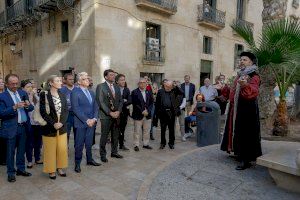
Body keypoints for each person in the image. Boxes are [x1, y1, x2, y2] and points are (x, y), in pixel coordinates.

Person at [220, 52, 262, 170]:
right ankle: (239, 153)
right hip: (237, 108)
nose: (242, 61)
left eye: (245, 60)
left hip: (247, 110)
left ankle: (246, 160)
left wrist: (245, 86)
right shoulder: (240, 74)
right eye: (241, 59)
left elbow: (252, 92)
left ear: (251, 62)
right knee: (237, 131)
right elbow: (233, 90)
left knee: (246, 133)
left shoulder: (254, 76)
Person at [0, 74, 34, 182]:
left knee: (21, 150)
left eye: (16, 83)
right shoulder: (2, 96)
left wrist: (28, 105)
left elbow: (30, 108)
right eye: (12, 84)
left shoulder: (22, 93)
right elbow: (1, 113)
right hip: (10, 128)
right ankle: (11, 173)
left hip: (23, 127)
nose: (15, 85)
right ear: (6, 84)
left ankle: (20, 169)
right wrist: (14, 107)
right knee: (10, 152)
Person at [40, 75, 69, 179]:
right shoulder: (44, 94)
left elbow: (66, 110)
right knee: (50, 150)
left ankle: (60, 167)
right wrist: (53, 123)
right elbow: (43, 112)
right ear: (51, 83)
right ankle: (51, 170)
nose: (61, 82)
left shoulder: (62, 94)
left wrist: (61, 122)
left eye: (60, 80)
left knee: (61, 149)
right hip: (49, 127)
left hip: (62, 127)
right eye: (58, 81)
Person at [71, 72, 100, 173]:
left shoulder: (91, 92)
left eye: (87, 78)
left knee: (89, 143)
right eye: (84, 79)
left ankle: (89, 159)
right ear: (79, 82)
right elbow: (76, 109)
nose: (87, 80)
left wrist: (95, 119)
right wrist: (87, 120)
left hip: (92, 122)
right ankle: (77, 163)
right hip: (81, 123)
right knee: (79, 144)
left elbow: (96, 106)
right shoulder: (75, 92)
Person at [96, 69, 123, 163]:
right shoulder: (100, 87)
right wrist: (110, 113)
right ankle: (103, 155)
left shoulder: (116, 87)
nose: (113, 76)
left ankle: (114, 152)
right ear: (106, 77)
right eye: (111, 75)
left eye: (114, 75)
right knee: (104, 136)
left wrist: (118, 111)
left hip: (117, 115)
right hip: (106, 116)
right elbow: (100, 102)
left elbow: (120, 100)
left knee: (115, 135)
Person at [21, 79, 43, 169]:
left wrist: (34, 95)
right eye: (28, 87)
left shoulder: (36, 95)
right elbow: (28, 107)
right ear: (23, 88)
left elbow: (41, 104)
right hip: (29, 123)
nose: (30, 88)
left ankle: (37, 158)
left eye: (32, 86)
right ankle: (30, 160)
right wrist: (30, 95)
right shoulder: (23, 96)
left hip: (38, 123)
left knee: (38, 142)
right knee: (29, 143)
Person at [131, 78, 153, 151]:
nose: (143, 84)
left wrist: (148, 111)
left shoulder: (149, 92)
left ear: (146, 84)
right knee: (137, 131)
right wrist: (142, 111)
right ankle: (136, 145)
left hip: (147, 115)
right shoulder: (134, 92)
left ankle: (145, 144)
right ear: (138, 84)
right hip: (138, 115)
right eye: (141, 83)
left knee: (147, 130)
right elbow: (135, 103)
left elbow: (151, 103)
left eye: (144, 82)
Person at [156, 80, 177, 149]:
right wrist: (158, 113)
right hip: (163, 113)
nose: (168, 87)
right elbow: (157, 103)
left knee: (171, 129)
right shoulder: (160, 92)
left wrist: (175, 86)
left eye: (169, 86)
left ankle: (171, 143)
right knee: (163, 129)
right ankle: (163, 143)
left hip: (171, 113)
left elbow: (181, 93)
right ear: (164, 85)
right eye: (167, 86)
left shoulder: (173, 91)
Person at [116, 74, 131, 151]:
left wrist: (122, 101)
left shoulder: (127, 90)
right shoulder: (114, 89)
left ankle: (121, 145)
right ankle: (114, 145)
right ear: (117, 81)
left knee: (122, 129)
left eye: (124, 79)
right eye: (121, 80)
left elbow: (130, 101)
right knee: (115, 129)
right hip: (116, 113)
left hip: (124, 113)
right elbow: (115, 101)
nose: (123, 81)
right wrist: (123, 100)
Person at [60, 73, 75, 144]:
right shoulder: (61, 90)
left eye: (73, 79)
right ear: (65, 80)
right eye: (70, 79)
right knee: (66, 134)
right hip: (67, 115)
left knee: (78, 134)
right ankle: (65, 150)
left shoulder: (77, 89)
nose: (72, 81)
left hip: (77, 115)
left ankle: (78, 152)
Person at [0, 77, 7, 166]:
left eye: (2, 82)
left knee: (4, 141)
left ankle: (4, 158)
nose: (1, 83)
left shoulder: (7, 94)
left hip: (6, 120)